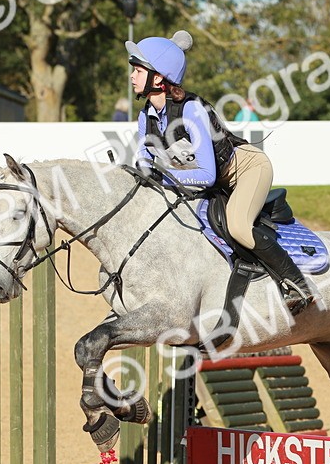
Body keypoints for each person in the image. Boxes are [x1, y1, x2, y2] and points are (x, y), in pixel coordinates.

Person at [126, 30, 314, 315]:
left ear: (159, 78)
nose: (132, 75)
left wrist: (165, 177)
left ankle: (296, 283)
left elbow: (207, 175)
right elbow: (144, 156)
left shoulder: (191, 110)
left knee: (238, 226)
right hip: (214, 182)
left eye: (138, 70)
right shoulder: (146, 116)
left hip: (247, 170)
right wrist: (142, 170)